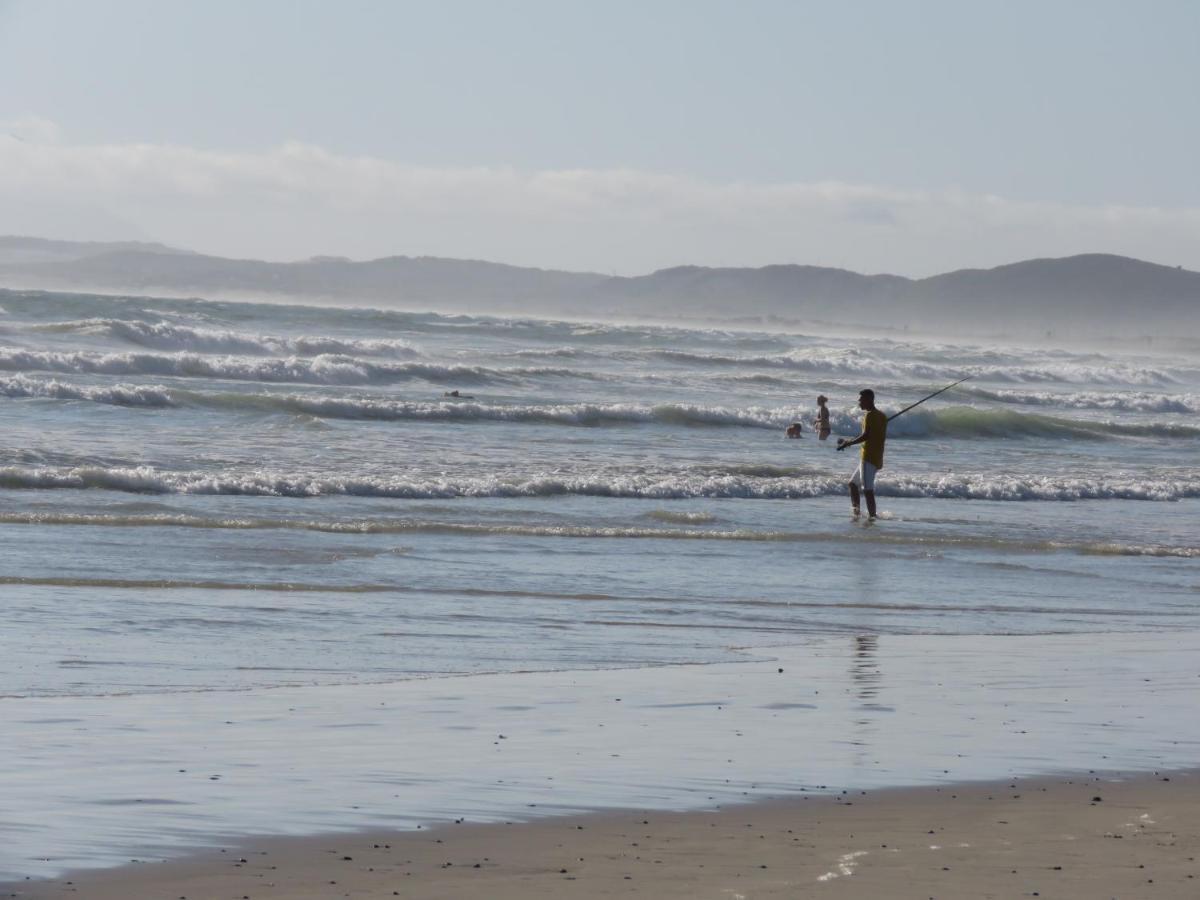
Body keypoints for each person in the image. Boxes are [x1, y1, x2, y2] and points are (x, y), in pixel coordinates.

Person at [836, 389, 887, 519]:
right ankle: (857, 513)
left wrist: (848, 443)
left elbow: (866, 436)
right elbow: (872, 433)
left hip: (868, 457)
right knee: (853, 484)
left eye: (861, 399)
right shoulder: (882, 416)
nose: (859, 402)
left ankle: (872, 517)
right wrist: (849, 441)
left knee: (867, 490)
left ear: (869, 399)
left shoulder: (870, 416)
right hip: (876, 457)